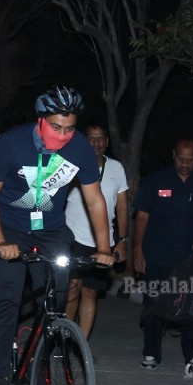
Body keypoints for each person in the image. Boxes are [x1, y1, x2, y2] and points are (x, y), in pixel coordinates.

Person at [0, 86, 115, 385]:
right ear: (41, 120)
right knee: (9, 299)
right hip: (9, 226)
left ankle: (36, 362)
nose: (63, 135)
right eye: (56, 127)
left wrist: (104, 247)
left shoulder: (79, 147)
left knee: (52, 303)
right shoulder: (12, 143)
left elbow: (95, 200)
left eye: (69, 128)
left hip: (51, 230)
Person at [133, 138, 193, 372]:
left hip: (189, 261)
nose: (184, 163)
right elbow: (141, 216)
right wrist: (137, 250)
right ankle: (150, 352)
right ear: (173, 155)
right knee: (154, 305)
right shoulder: (156, 180)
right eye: (181, 158)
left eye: (190, 160)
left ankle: (191, 357)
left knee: (192, 308)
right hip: (156, 254)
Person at [64, 124, 129, 338]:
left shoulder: (117, 168)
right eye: (91, 138)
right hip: (73, 236)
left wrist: (122, 240)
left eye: (101, 138)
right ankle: (62, 338)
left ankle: (81, 343)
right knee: (72, 288)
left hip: (102, 242)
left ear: (107, 142)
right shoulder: (72, 166)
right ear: (83, 141)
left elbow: (122, 206)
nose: (96, 143)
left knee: (90, 292)